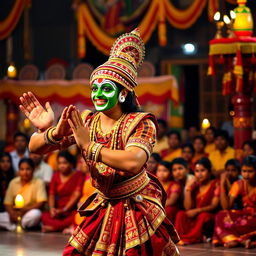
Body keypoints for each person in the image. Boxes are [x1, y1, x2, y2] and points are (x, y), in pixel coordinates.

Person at [19, 29, 180, 255]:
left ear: (123, 92)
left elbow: (133, 161)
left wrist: (90, 146)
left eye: (106, 88)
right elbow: (35, 148)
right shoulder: (87, 121)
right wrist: (50, 131)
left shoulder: (141, 122)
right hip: (103, 205)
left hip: (136, 207)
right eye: (94, 88)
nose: (98, 95)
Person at [213, 155, 256, 248]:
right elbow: (226, 207)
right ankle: (234, 239)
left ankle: (245, 241)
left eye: (250, 171)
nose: (247, 174)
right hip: (244, 215)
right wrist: (222, 183)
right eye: (244, 171)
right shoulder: (239, 184)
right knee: (220, 215)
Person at [175, 157, 220, 245]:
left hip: (209, 215)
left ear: (209, 171)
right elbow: (188, 207)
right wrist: (188, 189)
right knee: (181, 214)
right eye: (197, 171)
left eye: (202, 170)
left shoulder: (215, 183)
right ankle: (179, 237)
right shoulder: (195, 186)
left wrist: (197, 211)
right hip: (196, 215)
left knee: (203, 216)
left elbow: (214, 205)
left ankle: (191, 238)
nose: (199, 174)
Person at [41, 150, 84, 232]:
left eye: (64, 163)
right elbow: (51, 194)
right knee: (43, 216)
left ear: (71, 164)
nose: (62, 166)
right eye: (60, 163)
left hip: (71, 210)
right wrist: (52, 209)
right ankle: (62, 227)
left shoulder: (79, 175)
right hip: (58, 211)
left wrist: (64, 209)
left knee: (77, 216)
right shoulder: (55, 176)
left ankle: (54, 228)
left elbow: (77, 195)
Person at [0, 158, 47, 231]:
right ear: (18, 170)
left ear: (33, 170)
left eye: (28, 169)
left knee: (36, 214)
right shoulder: (13, 182)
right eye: (22, 169)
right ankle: (16, 226)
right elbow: (7, 203)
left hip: (28, 213)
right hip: (14, 213)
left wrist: (24, 210)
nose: (25, 172)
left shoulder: (39, 182)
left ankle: (15, 226)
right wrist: (12, 214)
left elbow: (41, 202)